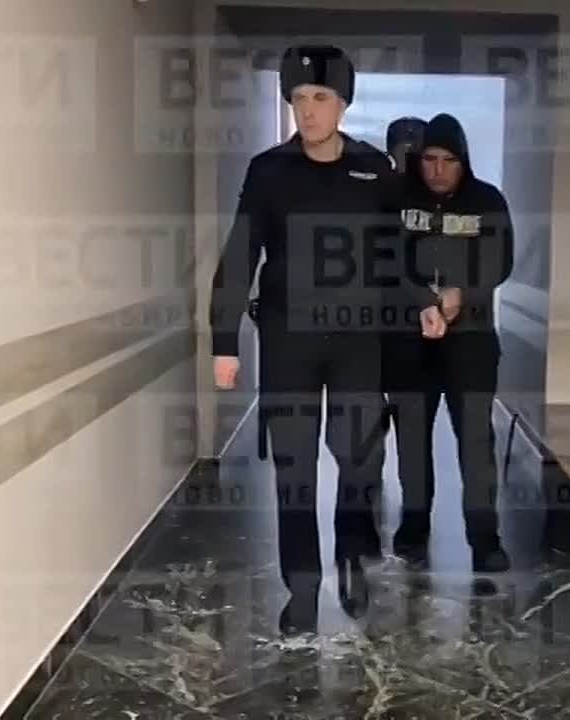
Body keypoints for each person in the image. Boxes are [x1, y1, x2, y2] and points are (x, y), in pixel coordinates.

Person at [209, 44, 394, 635]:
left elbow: (396, 255)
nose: (307, 110)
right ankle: (303, 587)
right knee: (295, 465)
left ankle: (351, 555)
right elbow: (241, 254)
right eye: (297, 99)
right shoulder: (269, 170)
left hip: (358, 340)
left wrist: (422, 307)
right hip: (289, 338)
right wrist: (224, 340)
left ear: (342, 103)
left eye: (320, 97)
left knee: (358, 457)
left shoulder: (375, 169)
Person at [383, 113, 515, 583]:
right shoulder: (398, 201)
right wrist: (424, 301)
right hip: (409, 341)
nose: (438, 170)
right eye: (430, 160)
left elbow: (500, 261)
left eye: (449, 161)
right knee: (412, 439)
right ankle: (414, 528)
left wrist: (463, 295)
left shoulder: (487, 201)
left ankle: (485, 539)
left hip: (471, 342)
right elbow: (387, 260)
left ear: (464, 161)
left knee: (476, 440)